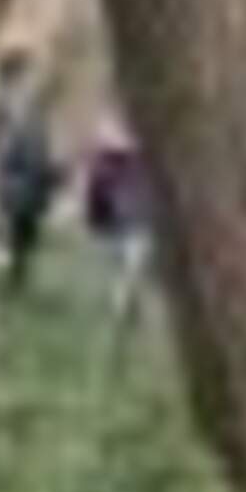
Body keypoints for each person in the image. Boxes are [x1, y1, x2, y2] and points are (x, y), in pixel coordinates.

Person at [0, 48, 64, 297]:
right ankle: (9, 281)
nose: (30, 79)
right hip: (9, 173)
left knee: (27, 231)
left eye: (29, 73)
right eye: (25, 73)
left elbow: (41, 139)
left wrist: (50, 167)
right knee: (10, 224)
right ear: (12, 75)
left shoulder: (33, 106)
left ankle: (17, 279)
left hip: (32, 175)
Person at [80, 118, 154, 343]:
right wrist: (94, 223)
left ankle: (123, 316)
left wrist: (93, 223)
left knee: (128, 274)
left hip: (131, 225)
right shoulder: (104, 169)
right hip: (119, 226)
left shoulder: (136, 167)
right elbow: (93, 199)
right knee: (124, 273)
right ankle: (123, 316)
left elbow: (93, 200)